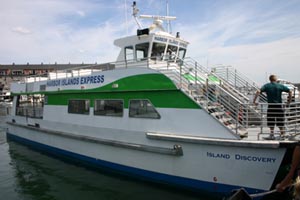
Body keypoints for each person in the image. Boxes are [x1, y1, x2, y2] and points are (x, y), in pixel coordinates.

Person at [253, 74, 292, 140]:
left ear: (270, 79)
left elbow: (258, 91)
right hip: (279, 106)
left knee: (271, 121)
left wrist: (254, 101)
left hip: (271, 106)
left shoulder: (267, 86)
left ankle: (272, 135)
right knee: (280, 121)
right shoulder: (279, 85)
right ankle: (282, 135)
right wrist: (288, 102)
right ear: (275, 79)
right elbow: (290, 91)